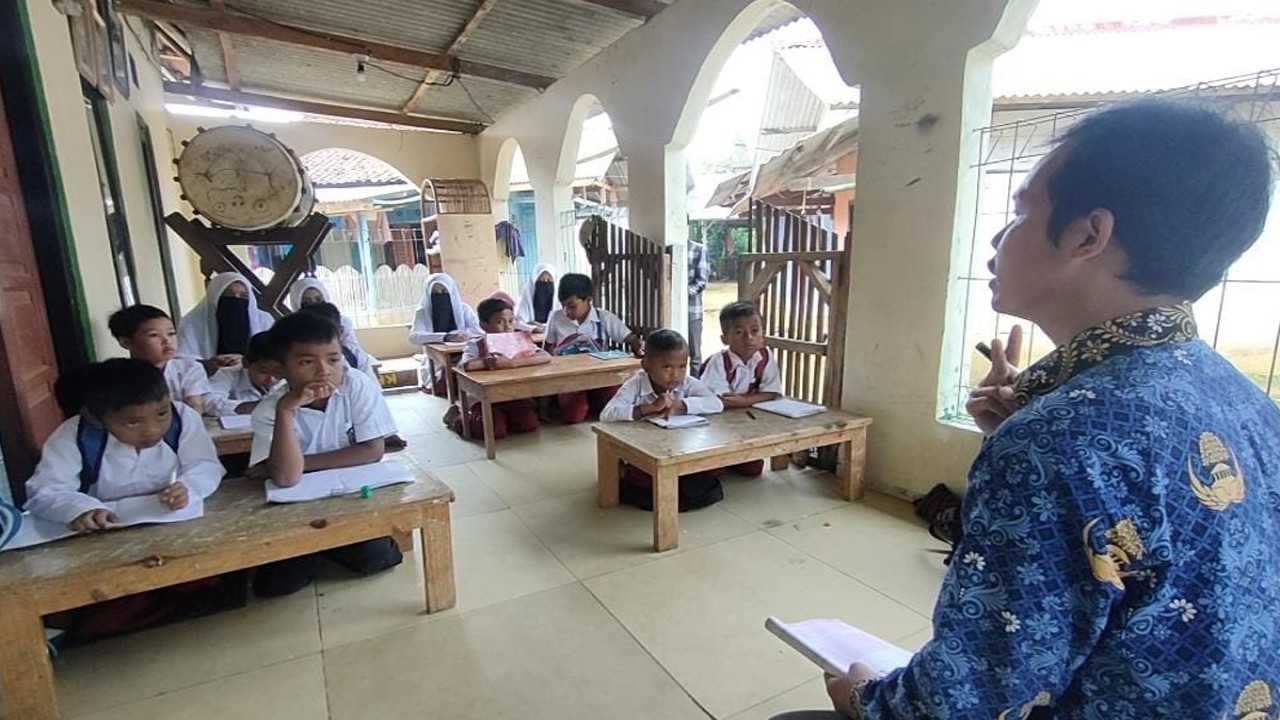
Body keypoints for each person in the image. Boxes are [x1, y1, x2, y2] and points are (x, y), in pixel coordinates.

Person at [777, 100, 1278, 719]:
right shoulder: (1249, 401)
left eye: (1019, 212)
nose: (996, 239)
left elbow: (964, 703)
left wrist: (863, 697)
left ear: (1087, 234)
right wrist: (1029, 418)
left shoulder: (1057, 441)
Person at [247, 312, 402, 597]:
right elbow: (284, 478)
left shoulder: (355, 385)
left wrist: (300, 464)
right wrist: (286, 410)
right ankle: (319, 548)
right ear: (280, 368)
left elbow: (372, 451)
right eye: (306, 362)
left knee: (376, 558)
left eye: (333, 359)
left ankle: (329, 545)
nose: (324, 371)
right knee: (278, 585)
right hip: (295, 507)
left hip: (351, 494)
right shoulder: (271, 409)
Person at [26, 358, 223, 531]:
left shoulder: (182, 417)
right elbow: (46, 491)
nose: (153, 430)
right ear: (96, 418)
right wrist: (81, 509)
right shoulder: (75, 434)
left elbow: (206, 465)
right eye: (133, 422)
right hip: (100, 533)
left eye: (162, 414)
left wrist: (188, 487)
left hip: (175, 522)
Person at [601, 329, 726, 510]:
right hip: (645, 449)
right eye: (667, 367)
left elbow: (716, 403)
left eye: (682, 366)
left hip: (681, 448)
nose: (675, 374)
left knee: (709, 468)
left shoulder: (687, 383)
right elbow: (607, 414)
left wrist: (681, 404)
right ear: (646, 365)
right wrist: (647, 408)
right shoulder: (635, 384)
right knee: (643, 478)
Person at [544, 272, 642, 423]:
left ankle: (593, 401)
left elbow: (630, 338)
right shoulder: (556, 318)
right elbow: (548, 348)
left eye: (571, 306)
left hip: (599, 377)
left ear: (589, 300)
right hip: (570, 379)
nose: (567, 311)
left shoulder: (603, 318)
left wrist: (639, 347)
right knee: (574, 415)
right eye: (563, 306)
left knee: (613, 406)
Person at [699, 300, 782, 477]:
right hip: (715, 424)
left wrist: (745, 401)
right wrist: (750, 399)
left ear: (763, 333)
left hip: (746, 423)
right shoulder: (719, 362)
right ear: (725, 339)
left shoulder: (765, 357)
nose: (749, 338)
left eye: (754, 331)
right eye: (739, 332)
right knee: (714, 470)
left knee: (753, 469)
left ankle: (733, 458)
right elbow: (719, 400)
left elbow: (772, 392)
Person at [450, 297, 550, 439]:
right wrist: (490, 362)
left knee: (529, 424)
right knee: (495, 431)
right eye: (499, 322)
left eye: (511, 321)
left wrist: (511, 363)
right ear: (483, 325)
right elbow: (468, 365)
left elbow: (545, 356)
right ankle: (458, 419)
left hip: (513, 394)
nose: (508, 327)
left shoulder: (519, 341)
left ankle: (503, 418)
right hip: (484, 398)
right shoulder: (476, 344)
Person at [110, 304, 210, 414]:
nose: (167, 340)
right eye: (154, 335)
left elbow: (195, 405)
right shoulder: (119, 376)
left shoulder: (190, 368)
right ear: (126, 342)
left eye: (171, 333)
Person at [177, 272, 274, 369]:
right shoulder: (191, 324)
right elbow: (181, 362)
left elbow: (274, 356)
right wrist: (208, 364)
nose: (236, 300)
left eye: (244, 296)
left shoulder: (264, 320)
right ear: (215, 297)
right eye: (229, 294)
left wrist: (246, 360)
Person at [408, 272, 482, 395]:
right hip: (436, 358)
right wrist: (446, 337)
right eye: (435, 293)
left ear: (451, 291)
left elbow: (478, 329)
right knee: (443, 380)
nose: (440, 295)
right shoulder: (422, 312)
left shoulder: (463, 309)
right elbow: (414, 337)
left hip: (464, 351)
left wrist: (463, 334)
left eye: (445, 291)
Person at [287, 276, 369, 359]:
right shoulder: (291, 327)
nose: (314, 304)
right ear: (296, 304)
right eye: (306, 303)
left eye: (318, 300)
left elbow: (354, 351)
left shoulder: (342, 321)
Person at [203, 331, 282, 416]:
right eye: (264, 371)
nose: (272, 379)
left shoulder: (289, 379)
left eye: (278, 372)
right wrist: (258, 406)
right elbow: (208, 402)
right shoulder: (227, 374)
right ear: (246, 363)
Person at [687, 239, 710, 374]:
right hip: (669, 310)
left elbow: (702, 281)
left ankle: (695, 390)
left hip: (692, 311)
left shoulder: (698, 249)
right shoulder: (667, 247)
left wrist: (681, 294)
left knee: (694, 355)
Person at [515, 264, 560, 332]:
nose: (545, 284)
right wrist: (531, 328)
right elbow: (518, 322)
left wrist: (544, 326)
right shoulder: (527, 296)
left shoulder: (559, 300)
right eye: (541, 281)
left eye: (549, 280)